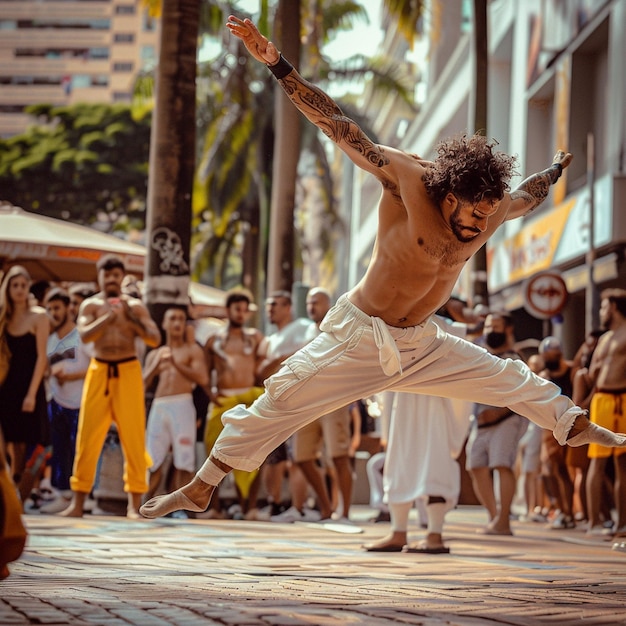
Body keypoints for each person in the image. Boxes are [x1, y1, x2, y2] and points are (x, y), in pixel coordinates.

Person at [140, 16, 626, 521]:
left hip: (422, 341)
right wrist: (277, 64)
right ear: (449, 194)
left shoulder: (494, 207)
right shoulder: (405, 180)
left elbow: (526, 197)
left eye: (488, 214)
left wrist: (553, 170)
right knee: (282, 400)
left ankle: (571, 422)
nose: (480, 225)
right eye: (473, 214)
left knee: (507, 376)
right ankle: (203, 485)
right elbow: (336, 124)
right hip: (360, 336)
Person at [59, 254, 161, 518]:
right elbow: (84, 334)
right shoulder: (91, 306)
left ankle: (134, 505)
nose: (112, 279)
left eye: (117, 275)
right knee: (88, 436)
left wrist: (130, 318)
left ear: (122, 276)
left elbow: (154, 339)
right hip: (99, 369)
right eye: (107, 275)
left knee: (134, 437)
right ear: (100, 277)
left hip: (128, 370)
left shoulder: (135, 306)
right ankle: (78, 502)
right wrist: (108, 318)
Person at [364, 316, 472, 554]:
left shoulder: (445, 326)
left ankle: (435, 535)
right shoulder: (397, 320)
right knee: (399, 467)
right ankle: (398, 532)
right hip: (403, 401)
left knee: (434, 469)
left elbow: (461, 357)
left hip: (435, 405)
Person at [280, 287, 360, 523]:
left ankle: (344, 513)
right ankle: (325, 508)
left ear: (329, 305)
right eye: (308, 303)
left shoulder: (340, 330)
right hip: (308, 402)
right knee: (302, 457)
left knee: (339, 456)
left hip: (334, 400)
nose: (311, 307)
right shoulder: (306, 333)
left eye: (316, 302)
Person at [202, 288, 265, 520]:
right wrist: (210, 395)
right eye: (236, 309)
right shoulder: (213, 340)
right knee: (214, 453)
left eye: (244, 309)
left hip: (248, 401)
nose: (240, 313)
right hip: (222, 400)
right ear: (227, 310)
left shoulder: (255, 337)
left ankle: (249, 508)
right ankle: (214, 508)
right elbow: (204, 372)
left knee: (252, 453)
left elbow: (262, 368)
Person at [465, 312, 529, 536]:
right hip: (480, 423)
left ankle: (504, 521)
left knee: (502, 465)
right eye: (488, 326)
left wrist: (499, 411)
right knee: (475, 466)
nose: (491, 330)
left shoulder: (515, 358)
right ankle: (494, 518)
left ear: (508, 329)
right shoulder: (481, 354)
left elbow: (523, 392)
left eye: (497, 326)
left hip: (506, 420)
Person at [143, 306, 208, 516]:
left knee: (184, 459)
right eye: (173, 319)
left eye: (181, 319)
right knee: (152, 458)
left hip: (182, 405)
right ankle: (145, 506)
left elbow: (203, 379)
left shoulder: (192, 350)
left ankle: (183, 508)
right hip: (159, 406)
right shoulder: (156, 353)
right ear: (165, 324)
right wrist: (156, 365)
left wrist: (176, 364)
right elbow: (142, 383)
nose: (177, 323)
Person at [0, 266, 50, 506]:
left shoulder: (39, 316)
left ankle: (17, 492)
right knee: (6, 438)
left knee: (21, 442)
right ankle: (9, 489)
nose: (19, 290)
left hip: (28, 385)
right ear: (7, 288)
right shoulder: (3, 317)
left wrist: (31, 394)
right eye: (14, 285)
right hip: (5, 385)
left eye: (23, 285)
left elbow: (42, 357)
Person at [40, 287, 91, 514]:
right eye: (49, 308)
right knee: (59, 449)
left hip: (80, 401)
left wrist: (70, 374)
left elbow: (92, 367)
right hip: (56, 401)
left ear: (68, 308)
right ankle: (63, 495)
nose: (53, 313)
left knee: (79, 449)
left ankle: (84, 497)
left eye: (57, 308)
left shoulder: (82, 336)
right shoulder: (49, 339)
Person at [583, 289, 626, 538]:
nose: (600, 312)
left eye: (603, 307)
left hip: (623, 398)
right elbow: (591, 375)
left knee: (622, 465)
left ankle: (621, 524)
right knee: (596, 462)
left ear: (614, 308)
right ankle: (593, 522)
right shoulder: (605, 338)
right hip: (602, 399)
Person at [537, 336, 576, 530]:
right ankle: (562, 510)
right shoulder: (544, 375)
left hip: (571, 423)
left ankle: (569, 512)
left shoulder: (570, 370)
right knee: (552, 470)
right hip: (551, 426)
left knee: (569, 471)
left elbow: (577, 394)